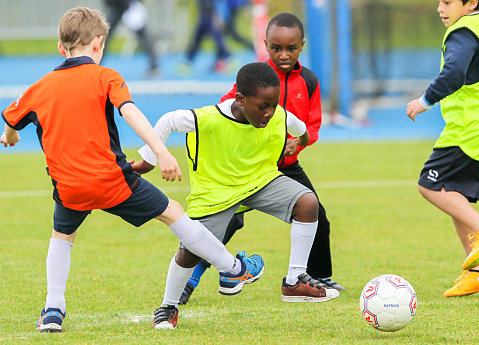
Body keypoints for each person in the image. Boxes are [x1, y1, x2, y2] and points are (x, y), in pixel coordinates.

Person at [0, 7, 264, 332]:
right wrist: (161, 151)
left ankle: (53, 310)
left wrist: (9, 136)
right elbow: (131, 113)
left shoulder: (38, 88)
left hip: (68, 186)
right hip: (112, 181)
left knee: (62, 237)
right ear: (98, 44)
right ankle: (234, 268)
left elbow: (12, 121)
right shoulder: (106, 77)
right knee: (174, 213)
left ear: (60, 47)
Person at [132, 62, 340, 317]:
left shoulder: (278, 116)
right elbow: (167, 121)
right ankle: (168, 306)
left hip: (261, 182)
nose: (269, 113)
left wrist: (298, 143)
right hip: (216, 193)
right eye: (263, 106)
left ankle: (294, 280)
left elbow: (301, 129)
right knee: (189, 253)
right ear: (240, 99)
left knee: (308, 203)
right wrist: (149, 159)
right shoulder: (208, 118)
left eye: (274, 105)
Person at [179, 12, 344, 305]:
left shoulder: (309, 81)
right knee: (226, 225)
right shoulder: (255, 77)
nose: (283, 54)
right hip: (246, 169)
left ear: (301, 46)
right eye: (276, 48)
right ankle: (190, 280)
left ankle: (314, 277)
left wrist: (299, 145)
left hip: (284, 168)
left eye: (290, 48)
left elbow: (312, 125)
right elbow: (226, 109)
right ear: (265, 44)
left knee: (316, 212)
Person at [406, 0, 479, 297]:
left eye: (448, 2)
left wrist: (423, 101)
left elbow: (454, 72)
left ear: (471, 3)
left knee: (430, 185)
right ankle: (475, 271)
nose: (440, 8)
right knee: (454, 192)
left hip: (467, 132)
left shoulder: (462, 31)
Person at [103, 0, 159, 75]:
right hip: (116, 7)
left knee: (143, 36)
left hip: (129, 6)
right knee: (104, 36)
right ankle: (95, 64)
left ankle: (154, 65)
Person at [179, 0, 231, 74]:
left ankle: (227, 58)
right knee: (197, 40)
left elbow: (219, 4)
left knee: (218, 40)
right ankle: (189, 61)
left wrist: (219, 16)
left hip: (211, 16)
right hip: (204, 16)